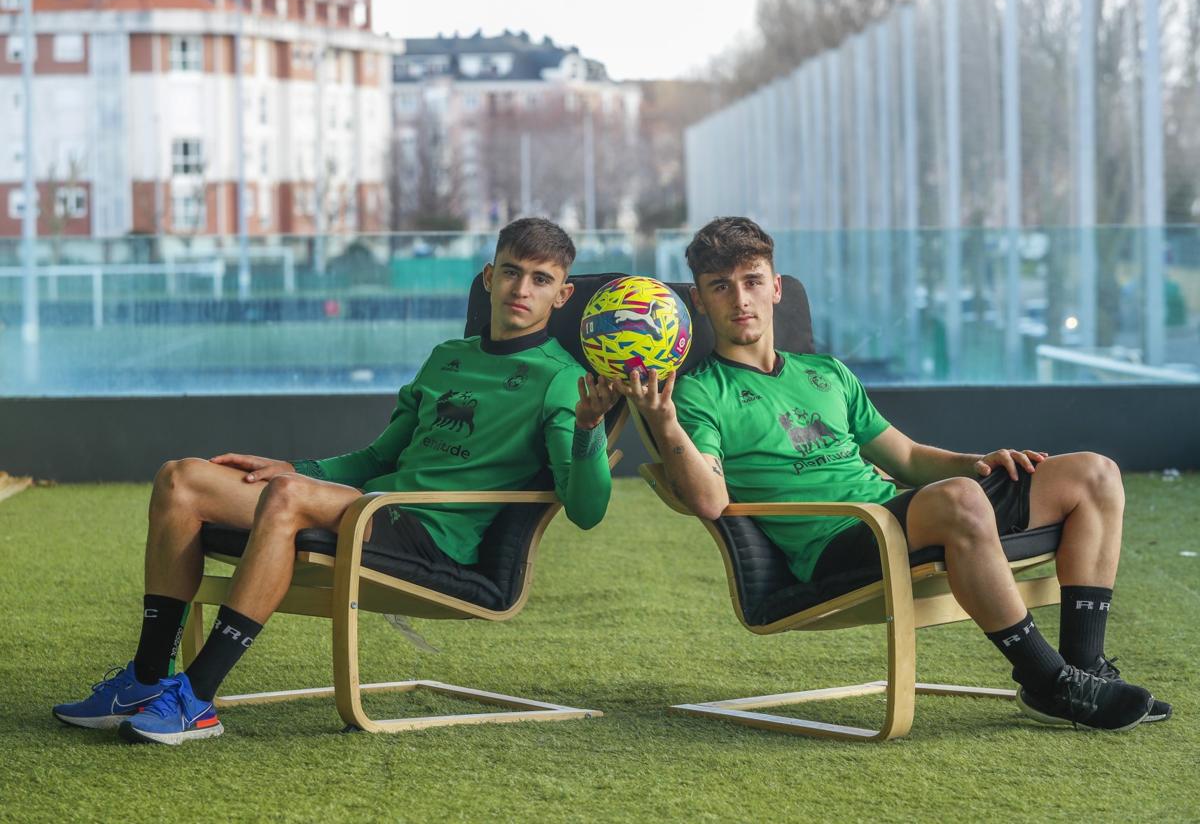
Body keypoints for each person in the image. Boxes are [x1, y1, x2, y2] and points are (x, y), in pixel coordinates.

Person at [53, 218, 622, 744]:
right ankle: (147, 679)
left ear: (561, 294)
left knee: (286, 499)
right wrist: (296, 470)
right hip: (374, 506)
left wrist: (589, 430)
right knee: (181, 479)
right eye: (512, 272)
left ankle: (197, 698)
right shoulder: (448, 356)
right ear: (489, 276)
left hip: (432, 535)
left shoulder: (562, 382)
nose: (522, 289)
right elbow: (378, 455)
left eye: (541, 279)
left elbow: (587, 510)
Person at [623, 216, 1169, 732]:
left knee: (1093, 474)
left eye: (752, 280)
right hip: (839, 537)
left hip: (899, 511)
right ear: (699, 299)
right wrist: (664, 421)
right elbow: (710, 501)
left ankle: (1085, 667)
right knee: (958, 500)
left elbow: (905, 457)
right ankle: (1046, 680)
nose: (740, 299)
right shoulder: (697, 392)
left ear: (776, 288)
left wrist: (978, 463)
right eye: (720, 286)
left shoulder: (826, 372)